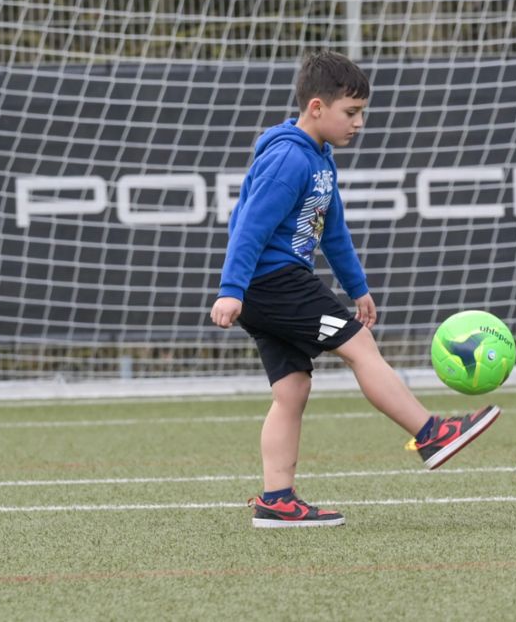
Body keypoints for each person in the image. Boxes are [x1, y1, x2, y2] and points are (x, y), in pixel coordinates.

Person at [210, 49, 501, 528]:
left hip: (269, 288)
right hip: (273, 281)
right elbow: (249, 228)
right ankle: (430, 433)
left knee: (292, 389)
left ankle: (276, 499)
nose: (359, 122)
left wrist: (357, 288)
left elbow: (334, 231)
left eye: (362, 111)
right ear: (317, 108)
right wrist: (231, 288)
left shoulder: (320, 159)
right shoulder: (288, 158)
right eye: (351, 112)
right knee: (360, 345)